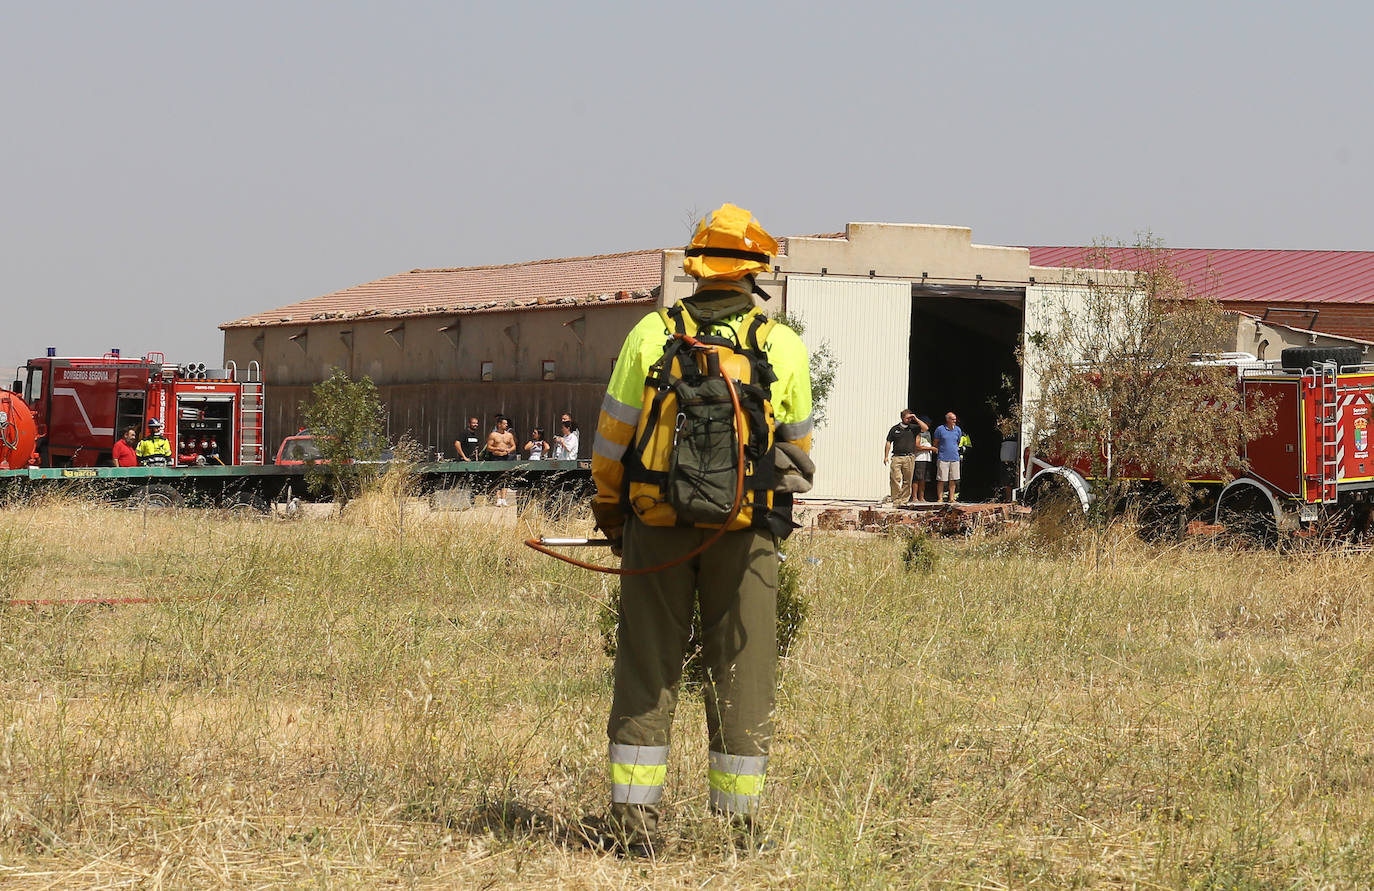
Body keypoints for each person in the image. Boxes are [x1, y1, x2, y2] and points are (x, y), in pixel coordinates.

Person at [587, 203, 812, 854]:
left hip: (654, 528)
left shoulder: (649, 336)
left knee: (646, 670)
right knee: (743, 675)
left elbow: (609, 447)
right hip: (744, 538)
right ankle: (738, 834)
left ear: (696, 269)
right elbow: (798, 460)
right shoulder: (781, 345)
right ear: (754, 273)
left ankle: (634, 831)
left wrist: (614, 517)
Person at [882, 410, 927, 504]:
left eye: (910, 418)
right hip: (897, 457)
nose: (909, 419)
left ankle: (904, 500)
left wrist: (916, 418)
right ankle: (896, 498)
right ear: (902, 418)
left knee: (908, 480)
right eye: (907, 418)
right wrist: (886, 456)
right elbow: (888, 442)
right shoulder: (895, 429)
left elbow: (925, 428)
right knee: (895, 478)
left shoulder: (913, 428)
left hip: (909, 457)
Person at [931, 412, 964, 503]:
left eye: (955, 419)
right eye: (952, 419)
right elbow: (935, 442)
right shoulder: (940, 429)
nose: (955, 421)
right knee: (941, 479)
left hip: (954, 457)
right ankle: (940, 498)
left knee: (953, 479)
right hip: (943, 457)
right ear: (947, 419)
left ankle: (951, 498)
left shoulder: (958, 430)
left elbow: (958, 442)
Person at [912, 416, 936, 502]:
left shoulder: (928, 433)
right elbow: (917, 446)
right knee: (917, 478)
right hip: (919, 458)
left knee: (924, 479)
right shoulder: (918, 433)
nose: (928, 425)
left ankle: (921, 497)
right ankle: (914, 497)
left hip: (927, 458)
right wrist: (931, 449)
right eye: (927, 423)